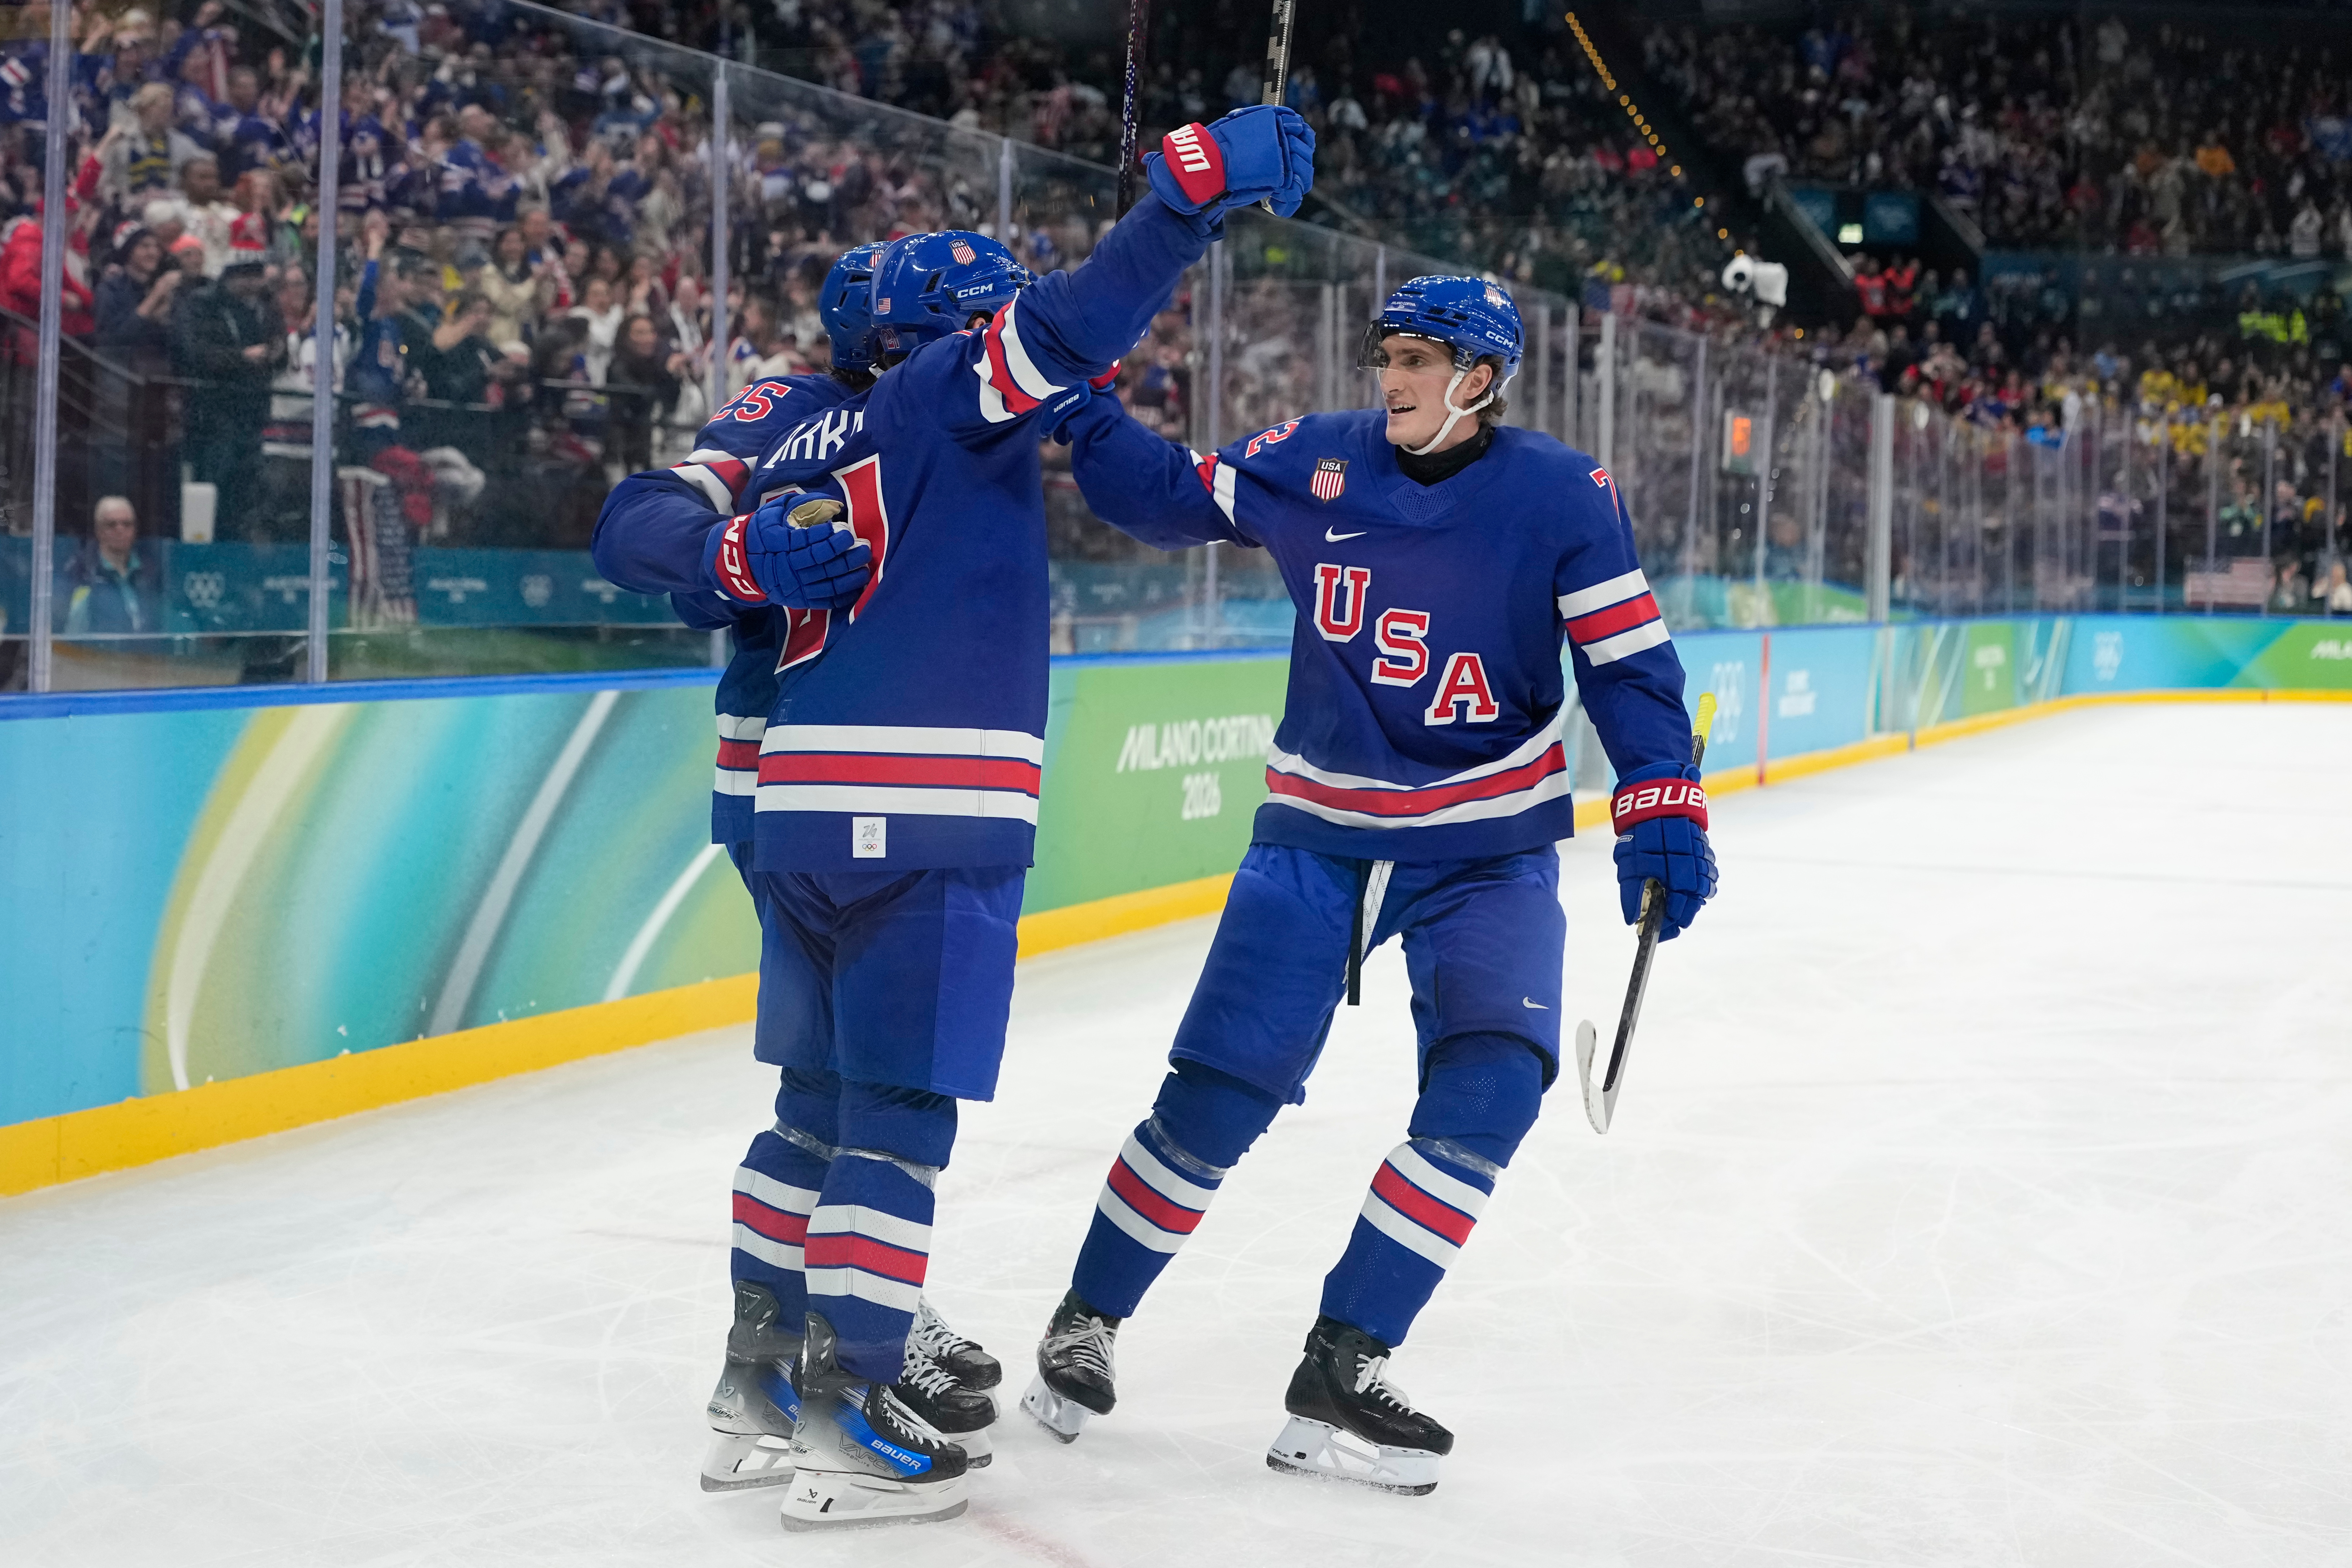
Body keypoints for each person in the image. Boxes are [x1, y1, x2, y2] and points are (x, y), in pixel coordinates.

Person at [591, 103, 1314, 1531]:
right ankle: (852, 1414)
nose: (1024, 350)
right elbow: (1072, 320)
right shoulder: (939, 399)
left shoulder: (806, 422)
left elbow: (637, 529)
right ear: (942, 336)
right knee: (897, 1125)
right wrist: (1187, 197)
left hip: (800, 815)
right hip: (920, 813)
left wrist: (735, 548)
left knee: (816, 1109)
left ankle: (759, 1380)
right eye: (990, 322)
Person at [1023, 274, 1716, 1496]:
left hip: (1489, 843)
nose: (1393, 377)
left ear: (1482, 377)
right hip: (1319, 837)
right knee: (1217, 1098)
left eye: (1421, 358)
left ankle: (1344, 1360)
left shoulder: (1563, 492)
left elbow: (1626, 661)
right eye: (1388, 353)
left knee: (1494, 1085)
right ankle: (1087, 1315)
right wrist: (1083, 411)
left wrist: (1658, 794)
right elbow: (1169, 497)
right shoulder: (1318, 458)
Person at [60, 496, 162, 636]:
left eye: (127, 524)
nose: (120, 530)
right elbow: (70, 633)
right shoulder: (82, 573)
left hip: (146, 656)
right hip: (98, 655)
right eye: (111, 524)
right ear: (98, 530)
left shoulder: (150, 572)